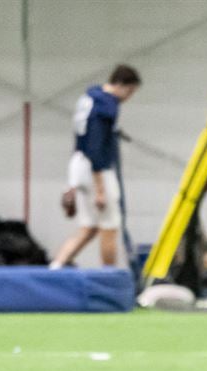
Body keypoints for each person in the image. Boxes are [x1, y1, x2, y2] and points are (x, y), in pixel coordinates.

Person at [50, 64, 140, 269]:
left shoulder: (90, 97)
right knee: (110, 226)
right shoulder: (107, 105)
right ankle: (108, 278)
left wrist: (73, 182)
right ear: (122, 85)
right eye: (131, 91)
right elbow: (95, 147)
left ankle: (55, 267)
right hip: (96, 170)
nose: (129, 97)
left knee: (89, 227)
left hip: (78, 165)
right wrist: (100, 189)